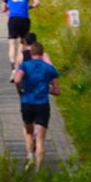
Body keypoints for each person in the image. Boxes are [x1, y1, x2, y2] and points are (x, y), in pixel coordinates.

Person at [11, 40, 60, 172]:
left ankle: (30, 156)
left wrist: (21, 89)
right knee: (40, 140)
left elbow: (17, 79)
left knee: (28, 131)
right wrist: (45, 89)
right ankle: (38, 171)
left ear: (31, 53)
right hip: (42, 105)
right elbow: (56, 91)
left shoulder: (25, 66)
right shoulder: (50, 69)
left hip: (27, 103)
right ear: (42, 54)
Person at [4, 0, 37, 66]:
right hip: (24, 19)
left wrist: (8, 9)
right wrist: (30, 7)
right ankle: (19, 64)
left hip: (13, 19)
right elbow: (37, 2)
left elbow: (3, 8)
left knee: (12, 43)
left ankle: (13, 67)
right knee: (22, 43)